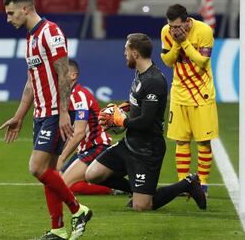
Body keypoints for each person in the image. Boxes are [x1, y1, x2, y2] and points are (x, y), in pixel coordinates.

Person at [0, 0, 92, 240]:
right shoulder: (30, 39)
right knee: (50, 173)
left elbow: (64, 73)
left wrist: (63, 113)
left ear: (25, 9)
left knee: (36, 167)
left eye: (11, 13)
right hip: (41, 114)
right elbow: (31, 82)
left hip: (54, 112)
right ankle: (58, 228)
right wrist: (19, 116)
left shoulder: (50, 32)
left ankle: (78, 209)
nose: (8, 19)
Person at [85, 33, 206, 211]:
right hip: (131, 142)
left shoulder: (154, 81)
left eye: (126, 50)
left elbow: (147, 122)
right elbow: (140, 104)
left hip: (148, 149)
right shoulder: (140, 73)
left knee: (142, 206)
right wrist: (126, 107)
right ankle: (140, 191)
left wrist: (121, 121)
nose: (124, 53)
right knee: (93, 174)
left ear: (135, 53)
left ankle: (188, 183)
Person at [160, 4, 219, 196]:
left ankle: (202, 186)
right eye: (171, 26)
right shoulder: (166, 32)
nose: (174, 30)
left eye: (177, 26)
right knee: (181, 141)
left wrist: (184, 42)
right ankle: (183, 185)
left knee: (203, 142)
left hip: (202, 93)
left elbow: (202, 61)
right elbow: (168, 61)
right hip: (179, 93)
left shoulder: (204, 30)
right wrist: (177, 43)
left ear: (187, 21)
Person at [56, 59, 114, 195]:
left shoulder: (79, 96)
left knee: (64, 186)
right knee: (58, 181)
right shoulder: (69, 96)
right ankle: (104, 180)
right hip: (84, 149)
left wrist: (61, 158)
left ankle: (113, 189)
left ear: (73, 76)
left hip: (97, 147)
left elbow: (80, 133)